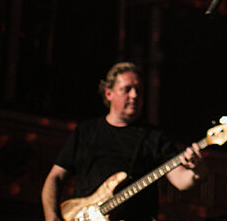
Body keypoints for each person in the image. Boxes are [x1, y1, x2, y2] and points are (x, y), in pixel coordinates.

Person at [41, 62, 204, 221]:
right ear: (108, 93)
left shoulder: (154, 137)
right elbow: (55, 177)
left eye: (138, 91)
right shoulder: (86, 131)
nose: (134, 95)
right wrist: (51, 216)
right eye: (127, 90)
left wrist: (198, 169)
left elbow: (182, 181)